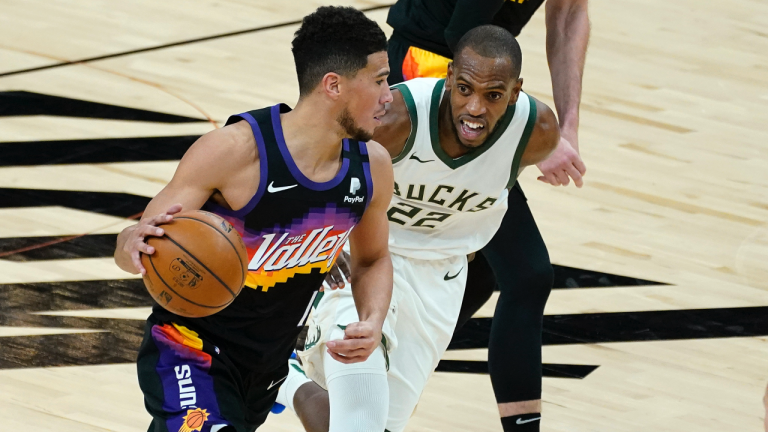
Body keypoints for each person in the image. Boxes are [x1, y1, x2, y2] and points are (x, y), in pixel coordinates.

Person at [113, 7, 395, 432]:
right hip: (188, 350)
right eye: (379, 81)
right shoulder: (234, 152)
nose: (389, 96)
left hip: (268, 365)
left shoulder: (372, 167)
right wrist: (131, 241)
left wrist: (372, 320)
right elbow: (136, 245)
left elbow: (372, 259)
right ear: (333, 85)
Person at [275, 25, 560, 432]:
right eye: (464, 89)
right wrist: (318, 241)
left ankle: (288, 381)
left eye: (493, 95)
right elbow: (311, 167)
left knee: (376, 426)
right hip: (362, 265)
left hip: (440, 279)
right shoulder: (396, 120)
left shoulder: (537, 134)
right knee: (359, 422)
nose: (475, 108)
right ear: (448, 79)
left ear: (516, 93)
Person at [386, 1, 590, 430]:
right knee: (527, 272)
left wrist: (566, 127)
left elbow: (569, 14)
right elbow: (465, 39)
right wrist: (524, 126)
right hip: (433, 74)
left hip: (482, 80)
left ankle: (384, 362)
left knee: (481, 268)